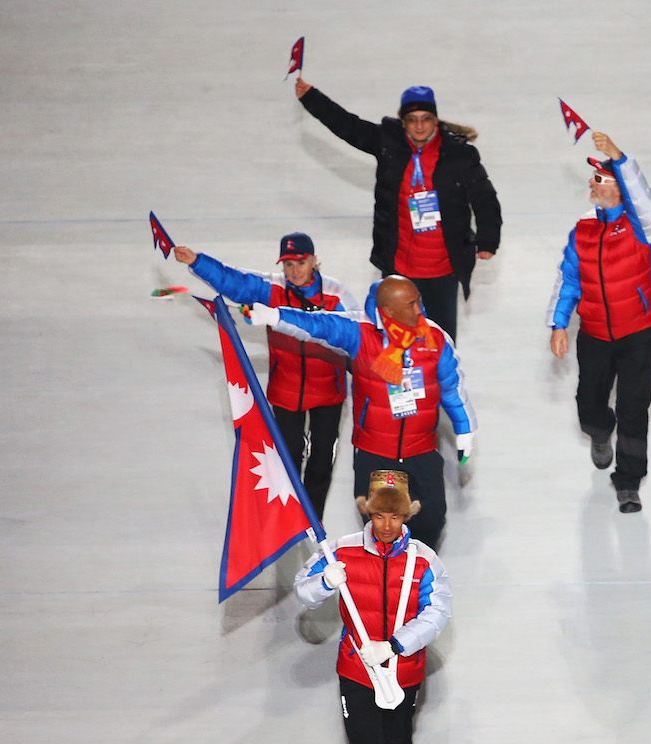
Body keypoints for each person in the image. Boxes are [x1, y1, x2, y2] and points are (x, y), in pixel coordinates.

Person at [246, 274, 475, 547]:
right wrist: (274, 316)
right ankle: (384, 579)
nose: (419, 310)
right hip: (375, 451)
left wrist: (465, 429)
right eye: (411, 304)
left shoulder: (435, 339)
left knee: (432, 520)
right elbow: (318, 325)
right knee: (382, 526)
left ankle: (418, 574)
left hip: (421, 450)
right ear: (388, 311)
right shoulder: (360, 334)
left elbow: (452, 387)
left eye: (418, 302)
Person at [295, 470, 451, 744]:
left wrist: (397, 644)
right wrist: (325, 583)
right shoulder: (340, 552)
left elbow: (437, 613)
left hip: (404, 670)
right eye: (379, 516)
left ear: (406, 517)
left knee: (398, 739)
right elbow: (304, 591)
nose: (386, 526)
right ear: (367, 512)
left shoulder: (424, 560)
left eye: (395, 517)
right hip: (356, 669)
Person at [294, 78, 501, 342]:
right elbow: (348, 126)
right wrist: (312, 97)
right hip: (400, 267)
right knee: (396, 343)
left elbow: (484, 197)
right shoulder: (387, 143)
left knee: (440, 343)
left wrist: (487, 239)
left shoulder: (458, 155)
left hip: (442, 269)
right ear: (402, 121)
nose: (419, 125)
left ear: (435, 121)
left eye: (425, 118)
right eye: (412, 119)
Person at [174, 232, 354, 519]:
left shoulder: (337, 294)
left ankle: (313, 521)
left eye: (301, 263)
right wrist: (196, 262)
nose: (294, 271)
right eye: (288, 265)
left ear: (314, 261)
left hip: (328, 394)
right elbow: (233, 280)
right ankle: (291, 519)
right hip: (286, 391)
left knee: (321, 462)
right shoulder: (272, 288)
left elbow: (355, 334)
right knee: (288, 460)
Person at [547, 131, 651, 513]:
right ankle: (599, 431)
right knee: (589, 403)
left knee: (634, 407)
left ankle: (629, 480)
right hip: (594, 333)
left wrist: (619, 157)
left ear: (617, 187)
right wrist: (559, 324)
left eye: (600, 179)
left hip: (638, 333)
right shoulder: (582, 231)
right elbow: (568, 280)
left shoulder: (641, 224)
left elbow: (643, 196)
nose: (592, 185)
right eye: (592, 179)